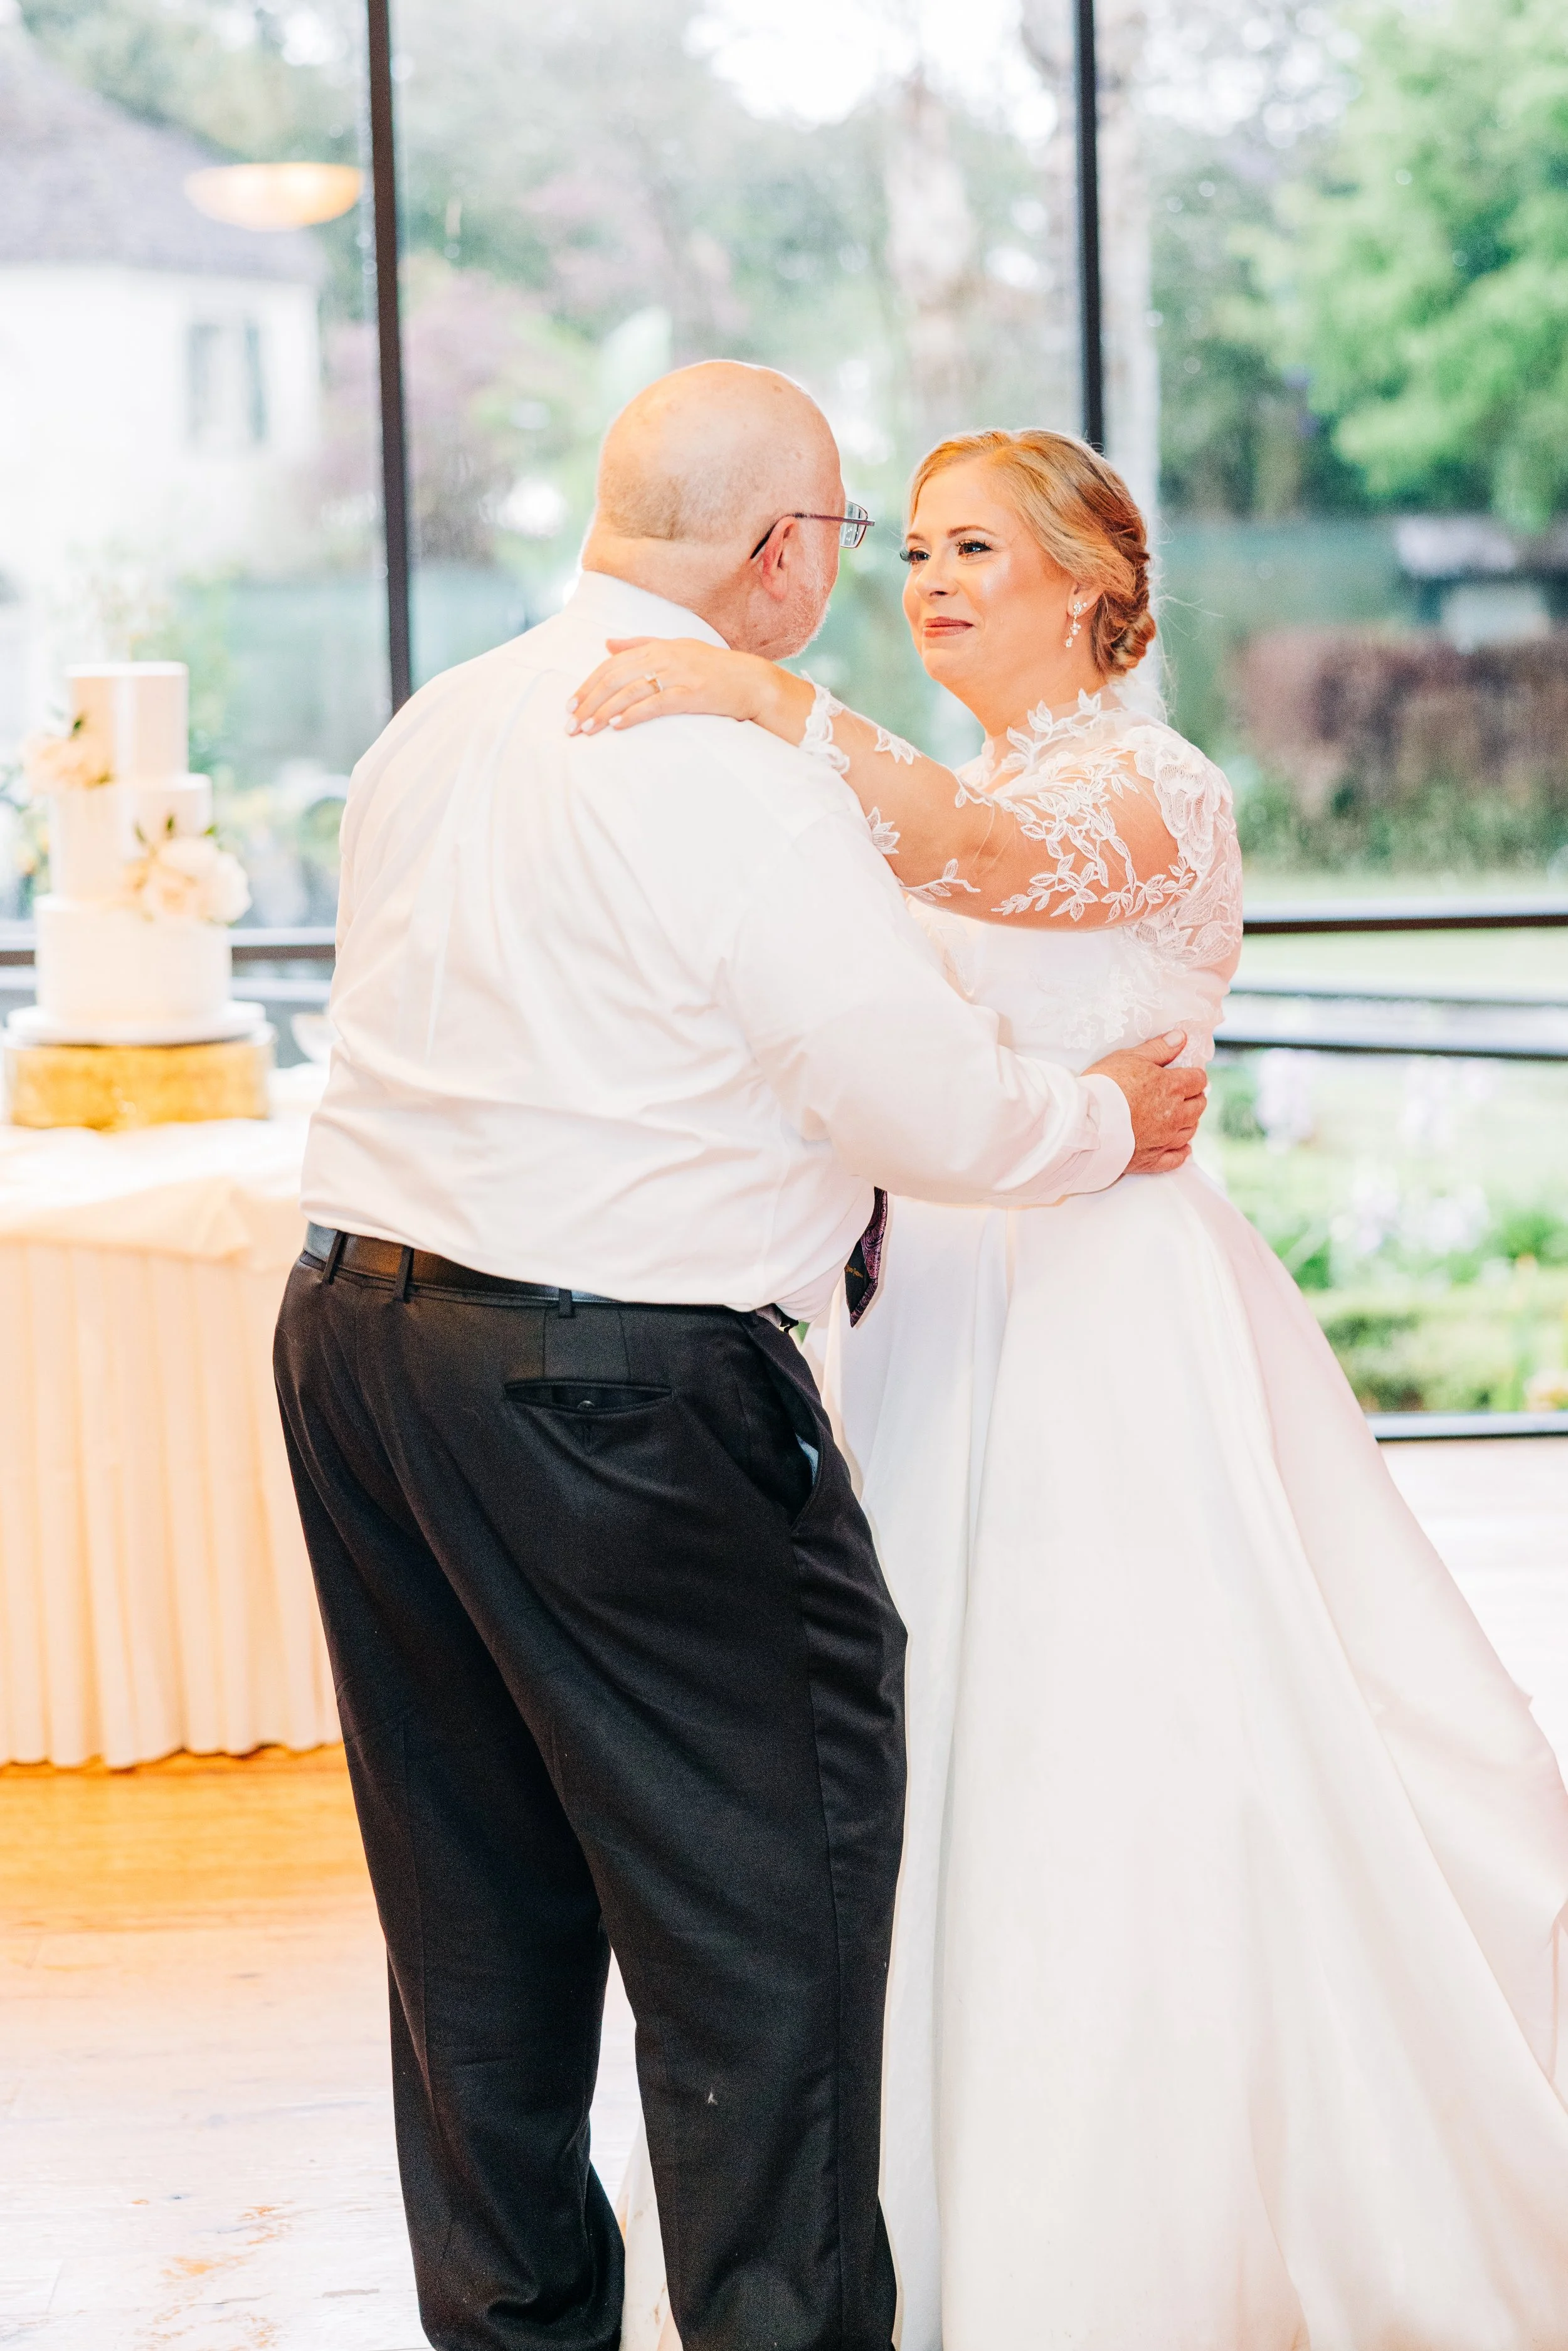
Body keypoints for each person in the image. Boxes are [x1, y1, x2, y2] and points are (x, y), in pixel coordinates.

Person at [572, 427, 1568, 2351]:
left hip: (1111, 1315)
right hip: (942, 1306)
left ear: (1093, 582)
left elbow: (989, 864)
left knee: (1129, 1730)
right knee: (922, 1735)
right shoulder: (959, 775)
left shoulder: (1147, 788)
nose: (932, 581)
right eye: (919, 548)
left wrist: (752, 689)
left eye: (977, 550)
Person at [272, 372, 1205, 2351]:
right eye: (871, 538)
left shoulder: (439, 724)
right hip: (608, 1388)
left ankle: (517, 2329)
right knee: (757, 1900)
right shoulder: (725, 763)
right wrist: (1104, 1124)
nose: (882, 580)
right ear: (783, 551)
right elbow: (922, 1102)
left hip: (356, 1347)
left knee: (471, 1897)